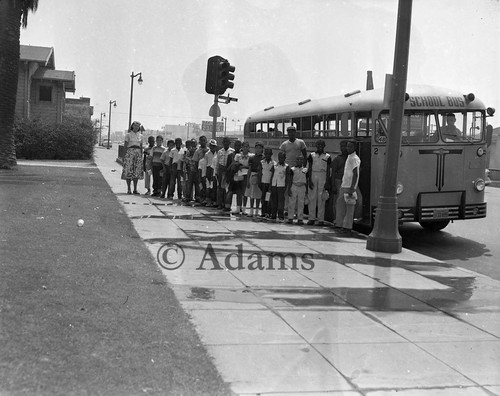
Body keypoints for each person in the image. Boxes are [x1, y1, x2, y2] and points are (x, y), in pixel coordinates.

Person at [334, 140, 361, 235]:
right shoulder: (349, 157)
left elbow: (355, 174)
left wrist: (352, 187)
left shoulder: (354, 158)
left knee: (349, 208)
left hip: (349, 186)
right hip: (344, 185)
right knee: (341, 206)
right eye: (347, 146)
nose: (348, 148)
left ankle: (347, 227)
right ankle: (340, 224)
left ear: (355, 148)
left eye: (350, 147)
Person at [307, 139, 331, 226]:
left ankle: (321, 219)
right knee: (312, 197)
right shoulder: (312, 155)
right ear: (316, 146)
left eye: (322, 145)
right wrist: (309, 179)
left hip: (323, 175)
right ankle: (311, 218)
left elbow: (328, 170)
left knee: (321, 198)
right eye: (318, 145)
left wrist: (327, 181)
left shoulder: (327, 156)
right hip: (313, 174)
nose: (320, 146)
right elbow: (309, 168)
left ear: (324, 146)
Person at [121, 121, 144, 194]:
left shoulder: (141, 136)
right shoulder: (128, 135)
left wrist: (141, 155)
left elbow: (141, 146)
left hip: (137, 153)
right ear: (132, 126)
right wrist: (123, 156)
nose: (136, 127)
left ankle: (135, 189)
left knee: (136, 171)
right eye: (135, 125)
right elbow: (125, 146)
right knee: (128, 170)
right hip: (130, 152)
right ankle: (128, 189)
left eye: (138, 126)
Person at [329, 140, 348, 221]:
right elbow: (333, 172)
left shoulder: (351, 158)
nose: (343, 148)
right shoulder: (338, 159)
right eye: (341, 146)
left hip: (348, 182)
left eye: (345, 146)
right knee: (338, 201)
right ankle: (336, 219)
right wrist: (333, 185)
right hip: (339, 181)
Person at [232, 141, 252, 215]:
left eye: (247, 146)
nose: (245, 148)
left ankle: (244, 208)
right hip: (239, 174)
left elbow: (250, 166)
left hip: (246, 174)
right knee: (238, 192)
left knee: (245, 192)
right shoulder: (238, 155)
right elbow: (234, 164)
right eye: (244, 147)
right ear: (242, 147)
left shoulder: (251, 156)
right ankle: (238, 208)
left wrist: (243, 166)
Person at [245, 141, 264, 217]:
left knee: (258, 194)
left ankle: (257, 210)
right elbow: (249, 169)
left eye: (259, 148)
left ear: (262, 149)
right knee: (252, 194)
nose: (258, 150)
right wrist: (248, 180)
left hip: (260, 175)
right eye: (256, 148)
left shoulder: (263, 158)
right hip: (252, 175)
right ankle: (251, 210)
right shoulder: (252, 158)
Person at [270, 151, 289, 222]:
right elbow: (272, 175)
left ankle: (281, 216)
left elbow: (287, 178)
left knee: (281, 202)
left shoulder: (286, 166)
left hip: (281, 185)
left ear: (284, 158)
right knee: (274, 201)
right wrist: (270, 185)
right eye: (279, 157)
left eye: (282, 157)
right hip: (274, 184)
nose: (280, 159)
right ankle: (273, 215)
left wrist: (286, 187)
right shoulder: (275, 165)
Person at [287, 156, 307, 225]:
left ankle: (300, 219)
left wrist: (306, 189)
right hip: (294, 185)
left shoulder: (305, 169)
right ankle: (290, 218)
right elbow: (290, 179)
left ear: (303, 161)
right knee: (292, 202)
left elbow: (307, 179)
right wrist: (289, 188)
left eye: (301, 159)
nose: (299, 161)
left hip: (302, 186)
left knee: (301, 203)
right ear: (296, 160)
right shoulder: (292, 169)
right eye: (297, 159)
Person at [216, 137, 234, 210]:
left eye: (227, 142)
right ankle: (220, 204)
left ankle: (227, 204)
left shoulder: (232, 151)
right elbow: (217, 162)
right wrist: (216, 172)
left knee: (228, 188)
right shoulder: (220, 151)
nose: (226, 143)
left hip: (228, 171)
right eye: (224, 142)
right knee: (220, 188)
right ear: (222, 143)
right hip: (221, 170)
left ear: (229, 143)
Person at [225, 139, 242, 212]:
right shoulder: (231, 155)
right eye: (236, 146)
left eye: (239, 146)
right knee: (230, 191)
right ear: (234, 146)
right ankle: (227, 206)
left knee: (239, 192)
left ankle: (239, 207)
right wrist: (228, 177)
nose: (237, 147)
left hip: (240, 176)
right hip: (232, 176)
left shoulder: (243, 155)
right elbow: (228, 167)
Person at [259, 147, 274, 218]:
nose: (268, 155)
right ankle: (263, 212)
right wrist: (259, 182)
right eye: (266, 153)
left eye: (269, 154)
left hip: (269, 184)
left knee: (268, 199)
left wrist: (271, 185)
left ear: (271, 154)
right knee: (263, 198)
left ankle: (268, 212)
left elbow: (273, 175)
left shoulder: (273, 163)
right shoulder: (262, 162)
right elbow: (260, 173)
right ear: (264, 154)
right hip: (263, 182)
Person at [193, 136, 208, 204]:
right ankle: (199, 197)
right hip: (199, 170)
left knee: (206, 185)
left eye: (204, 140)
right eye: (201, 140)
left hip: (207, 170)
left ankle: (206, 198)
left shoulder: (209, 150)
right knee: (199, 184)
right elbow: (195, 161)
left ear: (206, 141)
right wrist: (196, 171)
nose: (202, 142)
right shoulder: (197, 151)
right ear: (199, 142)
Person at [182, 139, 198, 203]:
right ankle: (188, 197)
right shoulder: (188, 151)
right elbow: (185, 159)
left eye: (194, 143)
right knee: (189, 184)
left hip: (197, 169)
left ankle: (197, 197)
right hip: (190, 169)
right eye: (192, 143)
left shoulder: (198, 150)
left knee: (197, 184)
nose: (192, 144)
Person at [204, 139, 218, 207]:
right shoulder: (207, 154)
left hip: (215, 171)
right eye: (211, 146)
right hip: (209, 170)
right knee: (208, 187)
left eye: (214, 146)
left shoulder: (217, 154)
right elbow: (205, 164)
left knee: (214, 187)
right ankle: (208, 201)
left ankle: (214, 201)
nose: (212, 147)